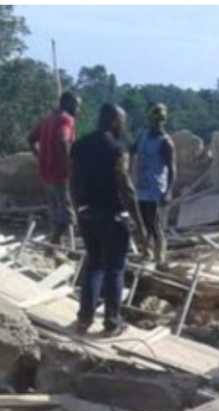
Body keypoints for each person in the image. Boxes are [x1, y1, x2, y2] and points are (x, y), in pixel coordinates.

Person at [69, 103, 142, 337]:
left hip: (87, 214)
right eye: (122, 121)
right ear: (114, 121)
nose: (123, 126)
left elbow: (72, 182)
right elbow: (126, 188)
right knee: (115, 269)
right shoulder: (117, 149)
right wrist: (139, 223)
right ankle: (112, 322)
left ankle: (84, 319)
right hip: (112, 216)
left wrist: (77, 210)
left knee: (94, 265)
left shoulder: (79, 146)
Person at [28, 91, 80, 247]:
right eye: (77, 106)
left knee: (55, 211)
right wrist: (70, 166)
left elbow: (31, 139)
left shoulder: (47, 119)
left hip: (46, 173)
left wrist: (39, 157)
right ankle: (54, 244)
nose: (78, 110)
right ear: (69, 104)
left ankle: (59, 246)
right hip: (60, 174)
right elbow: (63, 140)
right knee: (67, 215)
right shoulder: (66, 119)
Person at [130, 103, 176, 267]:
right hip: (141, 186)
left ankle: (159, 255)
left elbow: (172, 168)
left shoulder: (165, 142)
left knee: (154, 222)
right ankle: (146, 252)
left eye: (159, 120)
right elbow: (132, 150)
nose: (156, 123)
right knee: (142, 221)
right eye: (154, 120)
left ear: (163, 121)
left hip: (156, 187)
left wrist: (169, 191)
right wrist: (129, 171)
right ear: (149, 119)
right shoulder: (142, 136)